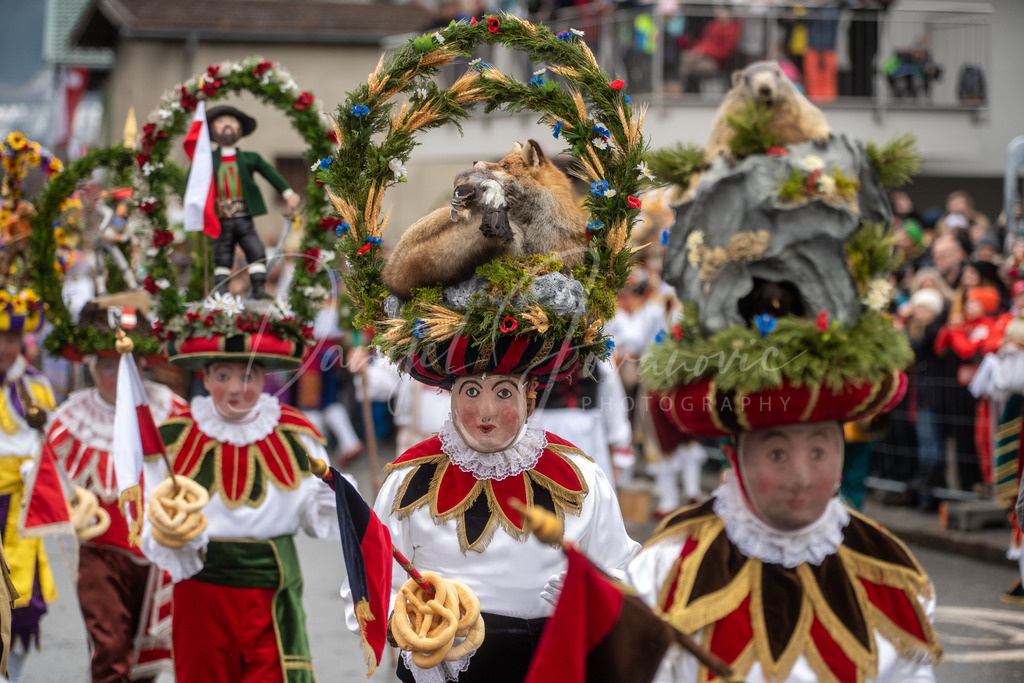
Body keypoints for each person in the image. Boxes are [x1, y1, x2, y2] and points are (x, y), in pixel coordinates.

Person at [366, 336, 640, 683]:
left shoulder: (582, 476)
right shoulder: (408, 479)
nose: (486, 412)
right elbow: (373, 579)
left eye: (504, 393)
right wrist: (403, 625)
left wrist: (594, 595)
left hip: (551, 664)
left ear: (530, 396)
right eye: (470, 392)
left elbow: (622, 568)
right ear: (450, 396)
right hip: (444, 666)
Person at [139, 299, 339, 682]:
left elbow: (317, 517)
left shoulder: (295, 433)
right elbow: (154, 510)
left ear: (264, 378)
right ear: (205, 378)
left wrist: (333, 500)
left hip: (273, 587)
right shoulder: (175, 435)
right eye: (222, 376)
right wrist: (175, 539)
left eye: (247, 376)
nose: (235, 389)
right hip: (201, 586)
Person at [46, 334, 186, 681]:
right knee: (109, 647)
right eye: (108, 367)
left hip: (157, 557)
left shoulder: (169, 409)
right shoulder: (72, 418)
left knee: (147, 654)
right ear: (92, 368)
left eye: (126, 367)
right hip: (99, 553)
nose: (117, 377)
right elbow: (47, 483)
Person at [0, 317, 57, 682]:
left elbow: (49, 444)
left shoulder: (35, 384)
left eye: (12, 337)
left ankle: (11, 677)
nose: (5, 345)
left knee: (22, 600)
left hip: (18, 507)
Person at [200, 105, 301, 299]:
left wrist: (287, 193)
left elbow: (270, 173)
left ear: (240, 129)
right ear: (212, 129)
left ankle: (258, 288)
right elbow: (193, 182)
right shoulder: (207, 160)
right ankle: (221, 291)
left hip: (244, 216)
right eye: (221, 122)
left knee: (255, 250)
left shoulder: (249, 158)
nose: (227, 125)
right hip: (221, 217)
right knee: (222, 255)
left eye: (232, 121)